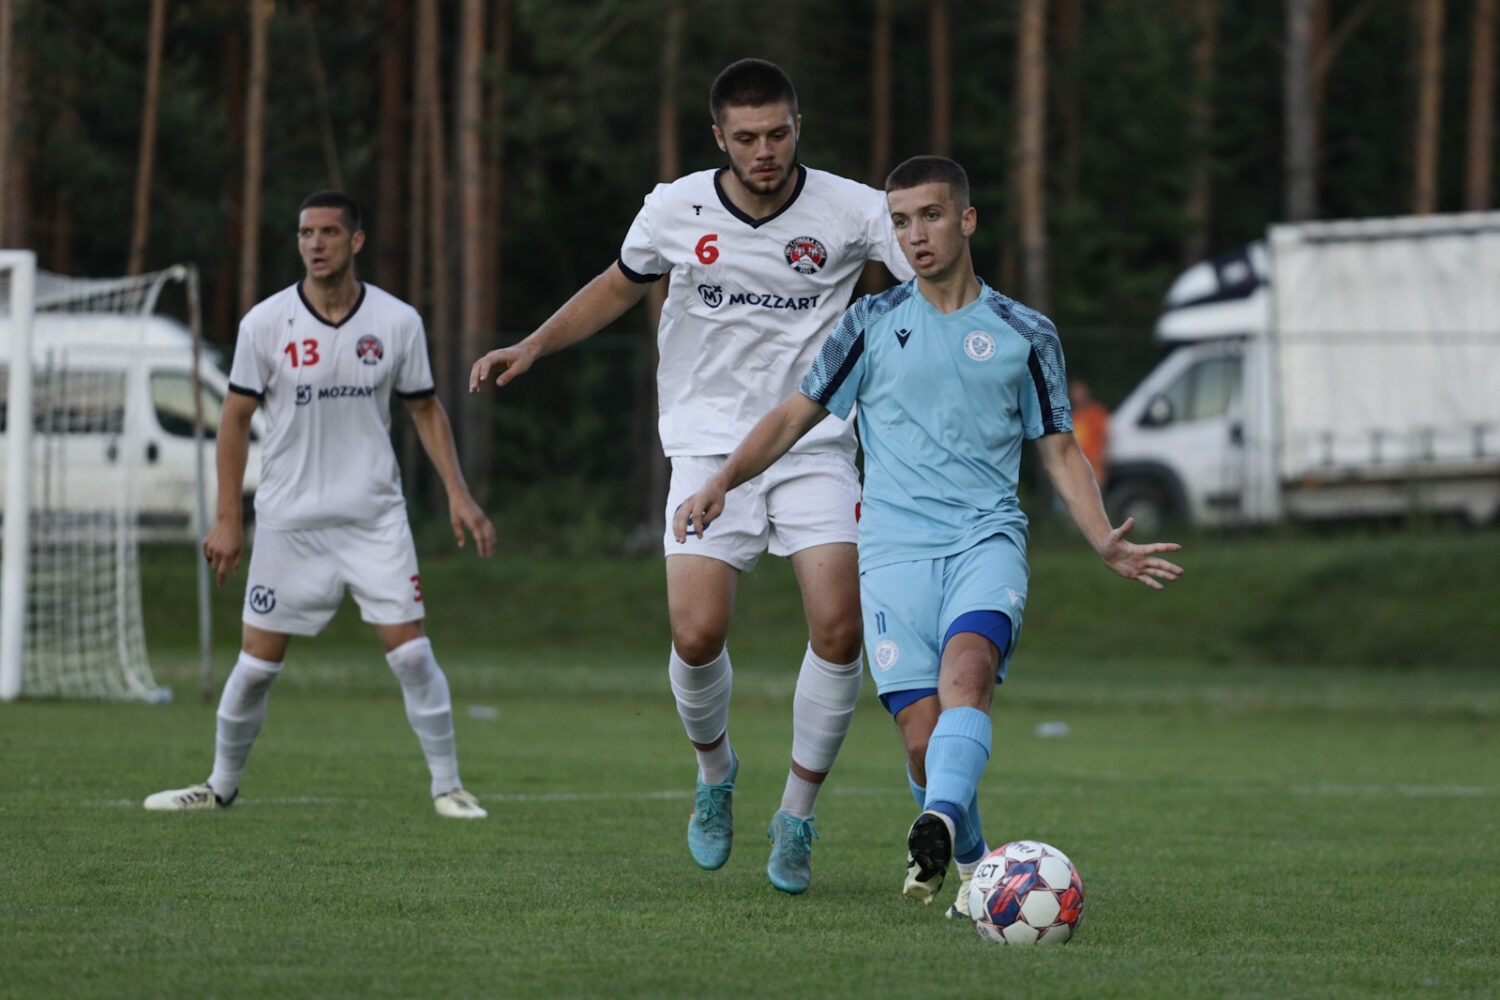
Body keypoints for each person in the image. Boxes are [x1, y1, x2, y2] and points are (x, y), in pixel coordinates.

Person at [672, 156, 1182, 916]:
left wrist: (1103, 537)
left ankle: (935, 824)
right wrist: (722, 480)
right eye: (902, 221)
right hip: (892, 555)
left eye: (933, 216)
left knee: (969, 671)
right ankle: (973, 862)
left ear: (968, 220)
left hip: (985, 540)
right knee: (923, 740)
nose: (917, 235)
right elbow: (791, 417)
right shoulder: (871, 324)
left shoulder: (1024, 332)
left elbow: (1059, 449)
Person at [469, 59, 914, 894]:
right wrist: (531, 343)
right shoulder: (674, 208)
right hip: (707, 447)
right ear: (719, 138)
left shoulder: (854, 210)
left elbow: (926, 271)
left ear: (797, 125)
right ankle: (715, 778)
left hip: (815, 442)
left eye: (778, 132)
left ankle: (798, 815)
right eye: (746, 138)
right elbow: (616, 286)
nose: (765, 150)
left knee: (840, 627)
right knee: (696, 635)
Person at [145, 191, 496, 819]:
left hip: (373, 518)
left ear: (355, 241)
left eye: (330, 232)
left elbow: (423, 408)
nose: (316, 243)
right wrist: (229, 517)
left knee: (412, 654)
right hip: (289, 522)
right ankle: (219, 788)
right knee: (254, 670)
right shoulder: (265, 323)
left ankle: (449, 787)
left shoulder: (396, 322)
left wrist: (458, 493)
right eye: (307, 232)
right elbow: (233, 419)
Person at [1068, 378, 1110, 485]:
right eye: (1074, 391)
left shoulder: (1096, 413)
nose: (1077, 394)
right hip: (1073, 469)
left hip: (1093, 467)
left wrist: (1103, 461)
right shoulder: (1069, 416)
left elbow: (1105, 438)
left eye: (1079, 391)